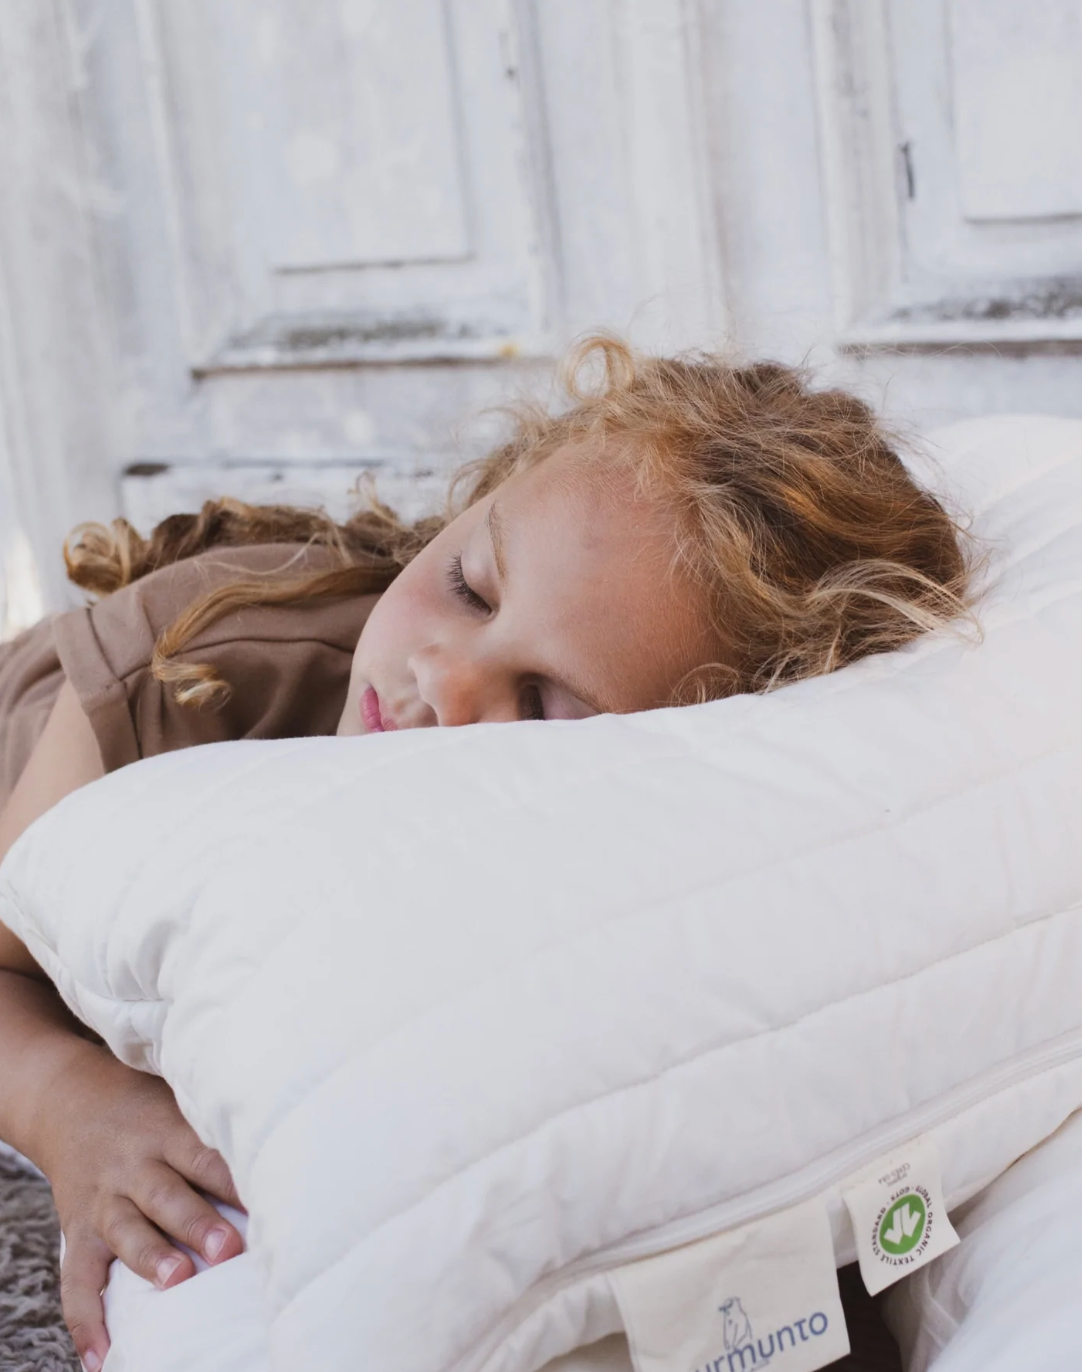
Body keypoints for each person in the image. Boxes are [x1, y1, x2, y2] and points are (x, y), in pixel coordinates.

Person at [0, 337, 972, 1370]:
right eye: (467, 588)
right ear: (473, 506)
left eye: (543, 705)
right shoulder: (198, 674)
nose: (437, 681)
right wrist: (73, 1108)